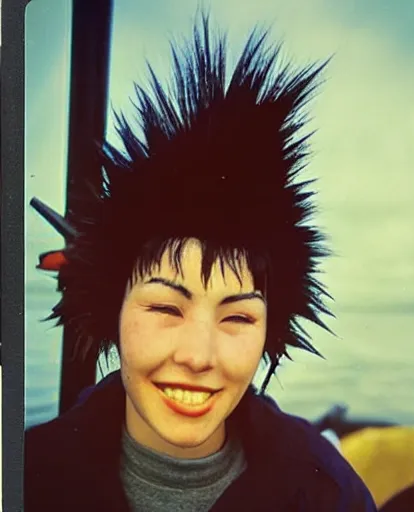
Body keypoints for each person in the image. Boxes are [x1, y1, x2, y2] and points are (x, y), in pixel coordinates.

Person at [24, 16, 376, 512]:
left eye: (238, 317)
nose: (197, 356)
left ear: (270, 332)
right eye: (167, 308)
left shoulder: (326, 494)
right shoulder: (24, 478)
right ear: (113, 310)